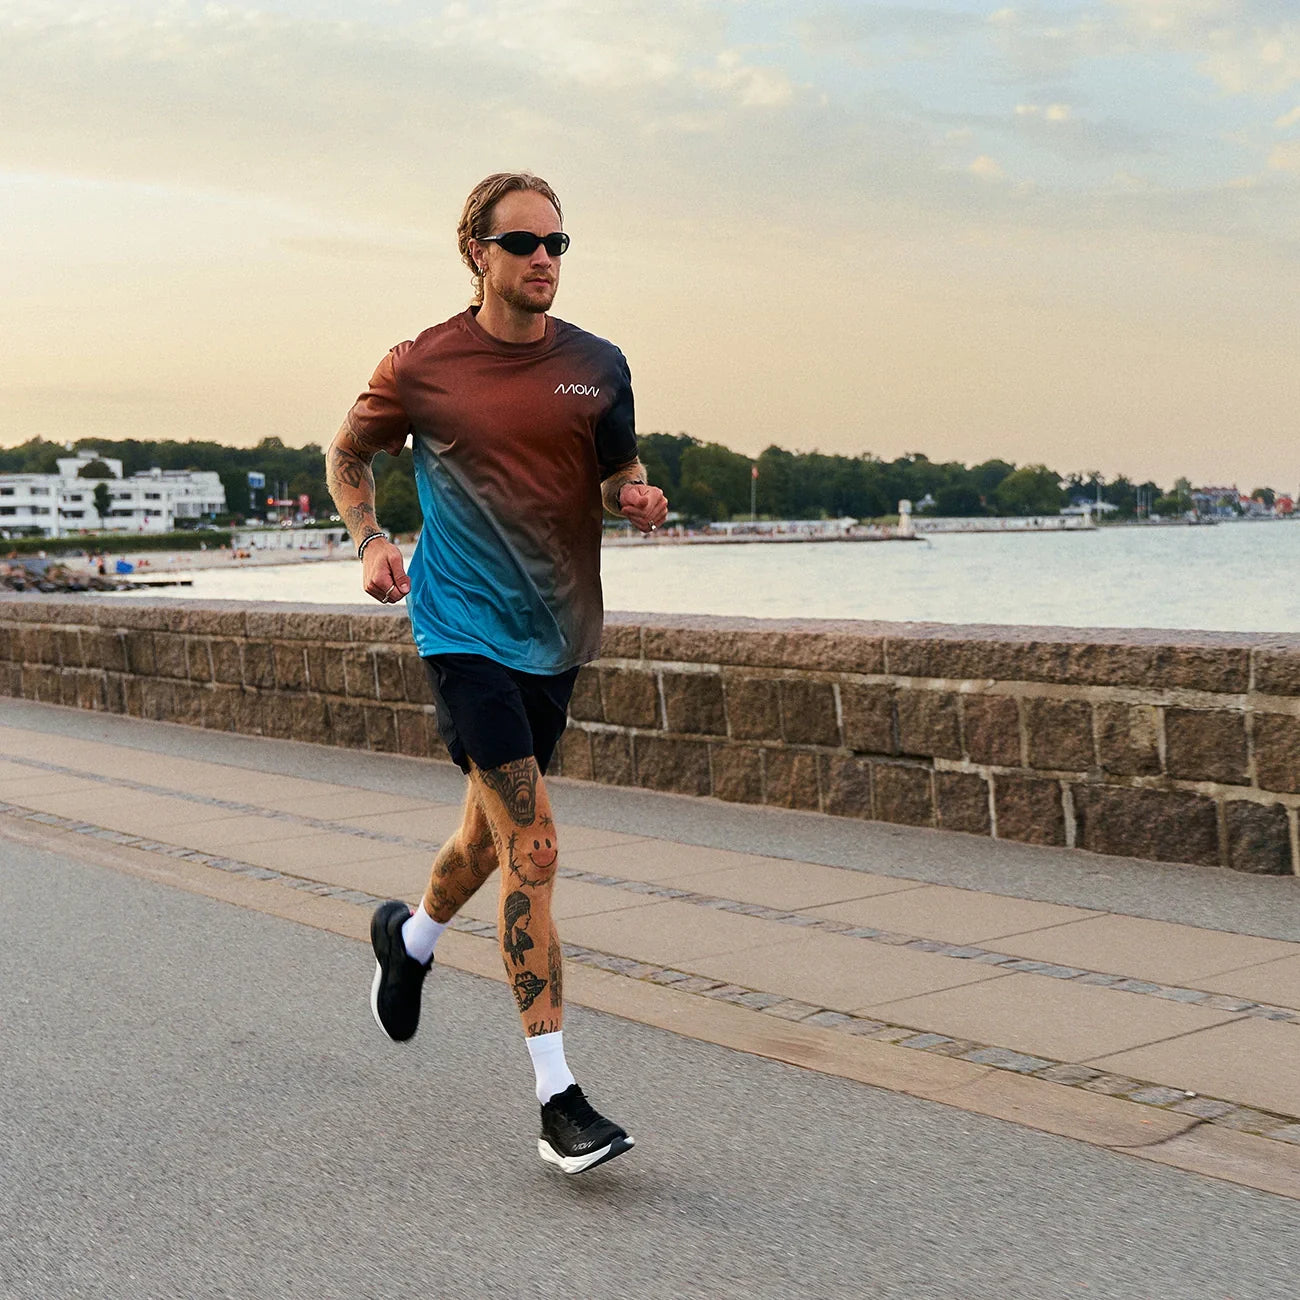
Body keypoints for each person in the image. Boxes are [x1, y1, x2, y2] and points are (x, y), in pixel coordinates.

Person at [325, 172, 668, 1175]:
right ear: (476, 251)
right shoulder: (423, 364)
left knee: (488, 834)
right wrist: (370, 539)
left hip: (554, 635)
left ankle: (410, 940)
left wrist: (638, 495)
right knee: (536, 842)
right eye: (523, 243)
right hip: (460, 631)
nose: (545, 260)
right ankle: (558, 1096)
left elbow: (613, 475)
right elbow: (349, 453)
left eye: (559, 243)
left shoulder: (597, 366)